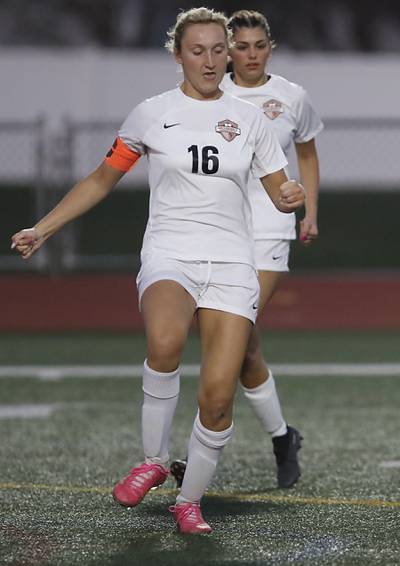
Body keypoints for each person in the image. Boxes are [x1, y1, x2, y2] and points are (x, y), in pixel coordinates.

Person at [11, 7, 304, 535]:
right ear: (178, 55)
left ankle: (188, 502)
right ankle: (152, 459)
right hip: (170, 251)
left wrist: (291, 196)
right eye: (199, 50)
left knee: (217, 397)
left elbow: (278, 191)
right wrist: (45, 227)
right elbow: (102, 179)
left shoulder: (253, 121)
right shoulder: (151, 114)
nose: (211, 60)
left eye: (220, 49)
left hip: (233, 261)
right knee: (165, 342)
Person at [171, 8, 323, 491]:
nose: (250, 54)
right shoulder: (214, 93)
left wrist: (310, 211)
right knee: (242, 346)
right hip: (218, 232)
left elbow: (307, 154)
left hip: (269, 232)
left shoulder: (292, 97)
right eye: (241, 46)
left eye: (259, 45)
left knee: (233, 338)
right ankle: (282, 437)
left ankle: (197, 461)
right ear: (227, 48)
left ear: (270, 47)